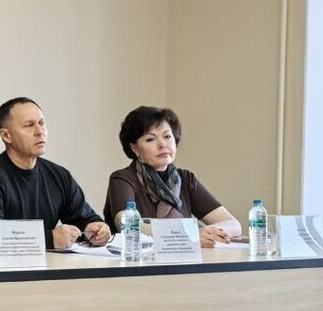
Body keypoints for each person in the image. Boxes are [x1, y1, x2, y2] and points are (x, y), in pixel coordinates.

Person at [0, 97, 110, 250]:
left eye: (42, 123)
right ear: (6, 135)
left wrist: (96, 229)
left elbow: (84, 217)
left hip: (49, 264)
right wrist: (49, 239)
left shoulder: (59, 175)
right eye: (29, 125)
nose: (40, 131)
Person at [103, 105, 241, 246]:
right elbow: (127, 226)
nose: (163, 144)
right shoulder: (123, 179)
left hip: (182, 258)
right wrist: (188, 235)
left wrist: (205, 233)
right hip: (136, 258)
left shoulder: (185, 179)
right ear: (135, 148)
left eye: (167, 136)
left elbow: (233, 224)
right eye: (150, 139)